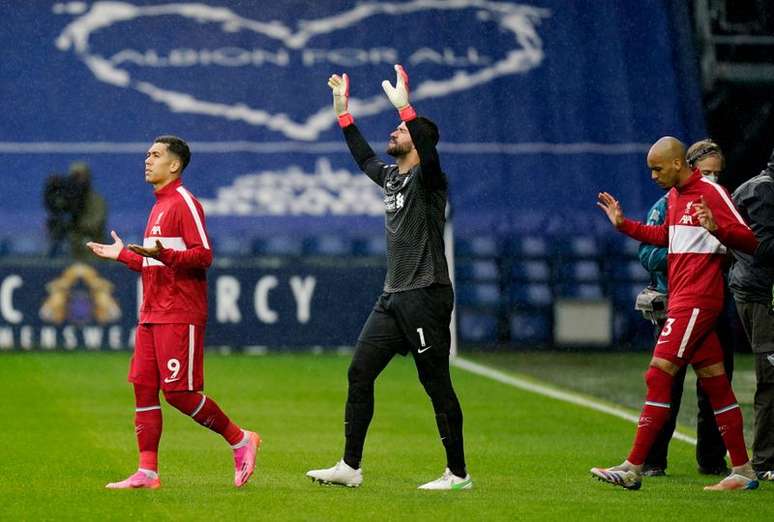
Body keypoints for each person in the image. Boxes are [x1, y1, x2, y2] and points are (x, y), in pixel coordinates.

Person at [305, 65, 471, 490]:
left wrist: (408, 108)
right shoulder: (393, 178)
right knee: (359, 372)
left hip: (426, 294)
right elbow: (364, 157)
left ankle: (458, 474)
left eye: (400, 128)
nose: (393, 132)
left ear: (418, 142)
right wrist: (343, 113)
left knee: (435, 383)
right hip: (393, 296)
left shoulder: (430, 180)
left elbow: (430, 159)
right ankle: (350, 466)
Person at [86, 135, 260, 489]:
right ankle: (147, 472)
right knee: (143, 387)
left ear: (175, 164)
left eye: (155, 155)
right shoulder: (158, 204)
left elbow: (203, 255)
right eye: (147, 154)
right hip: (151, 312)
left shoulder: (184, 202)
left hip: (180, 312)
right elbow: (156, 265)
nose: (147, 160)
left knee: (179, 393)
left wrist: (164, 254)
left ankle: (241, 439)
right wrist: (123, 255)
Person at [592, 136, 759, 491]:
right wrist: (624, 225)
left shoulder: (711, 194)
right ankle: (743, 471)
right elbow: (665, 237)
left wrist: (719, 229)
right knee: (717, 385)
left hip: (698, 300)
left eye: (657, 168)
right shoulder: (673, 198)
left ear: (679, 164)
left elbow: (751, 240)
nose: (652, 175)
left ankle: (634, 466)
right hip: (682, 298)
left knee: (658, 374)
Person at [637, 139, 732, 477]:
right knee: (668, 382)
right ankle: (651, 460)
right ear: (687, 167)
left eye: (717, 174)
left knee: (716, 384)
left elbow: (738, 243)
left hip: (710, 305)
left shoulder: (720, 202)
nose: (712, 180)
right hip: (675, 305)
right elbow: (646, 251)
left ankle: (713, 459)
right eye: (706, 172)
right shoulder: (667, 203)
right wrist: (685, 255)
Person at [728, 145, 774, 482]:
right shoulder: (763, 191)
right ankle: (765, 461)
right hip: (761, 294)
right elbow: (760, 246)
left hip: (758, 290)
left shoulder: (759, 187)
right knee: (771, 379)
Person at [44, 162, 107, 260]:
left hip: (91, 251)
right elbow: (54, 210)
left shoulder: (96, 200)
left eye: (80, 177)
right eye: (74, 177)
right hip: (72, 251)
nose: (77, 181)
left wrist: (74, 223)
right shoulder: (67, 199)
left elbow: (96, 224)